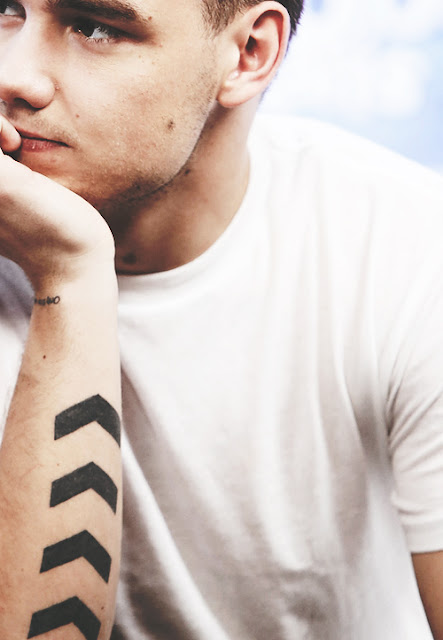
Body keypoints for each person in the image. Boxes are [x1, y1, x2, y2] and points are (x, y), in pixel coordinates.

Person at [0, 0, 443, 637]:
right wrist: (71, 277)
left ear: (249, 54)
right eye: (7, 10)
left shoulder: (407, 250)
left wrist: (66, 273)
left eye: (96, 28)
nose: (13, 74)